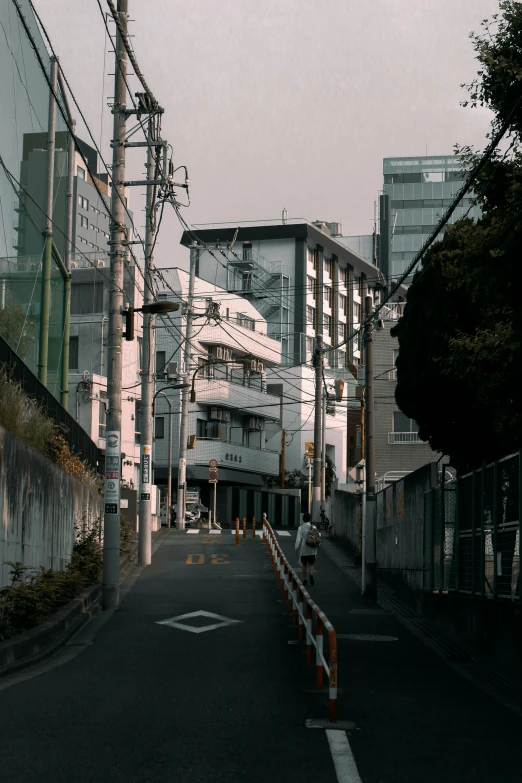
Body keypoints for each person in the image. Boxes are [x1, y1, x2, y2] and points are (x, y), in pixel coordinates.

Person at [295, 512, 321, 586]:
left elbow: (298, 540)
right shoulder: (314, 527)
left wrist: (296, 548)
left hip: (304, 549)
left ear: (303, 519)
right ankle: (311, 575)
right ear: (310, 519)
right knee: (311, 564)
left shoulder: (300, 528)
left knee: (304, 564)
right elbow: (318, 535)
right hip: (312, 549)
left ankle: (305, 579)